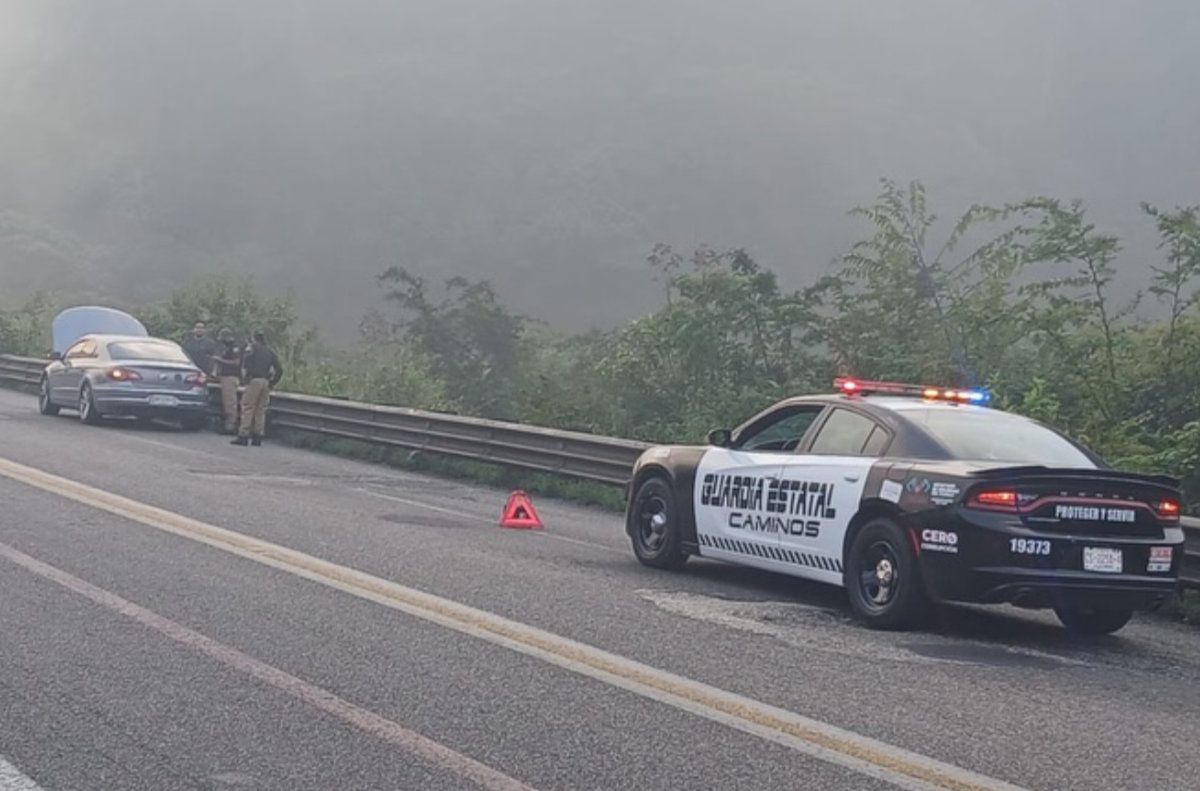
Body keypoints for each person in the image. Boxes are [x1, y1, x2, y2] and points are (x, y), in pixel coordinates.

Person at [232, 328, 283, 447]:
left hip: (254, 381)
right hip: (265, 382)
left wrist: (245, 379)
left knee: (248, 407)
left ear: (254, 338)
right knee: (261, 410)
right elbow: (279, 370)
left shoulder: (252, 348)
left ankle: (243, 435)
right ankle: (258, 436)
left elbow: (246, 364)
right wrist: (272, 383)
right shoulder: (270, 351)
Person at [210, 328, 243, 434]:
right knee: (226, 402)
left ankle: (231, 426)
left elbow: (236, 362)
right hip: (225, 377)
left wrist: (220, 360)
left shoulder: (235, 348)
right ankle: (228, 424)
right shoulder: (226, 348)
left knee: (230, 403)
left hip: (231, 377)